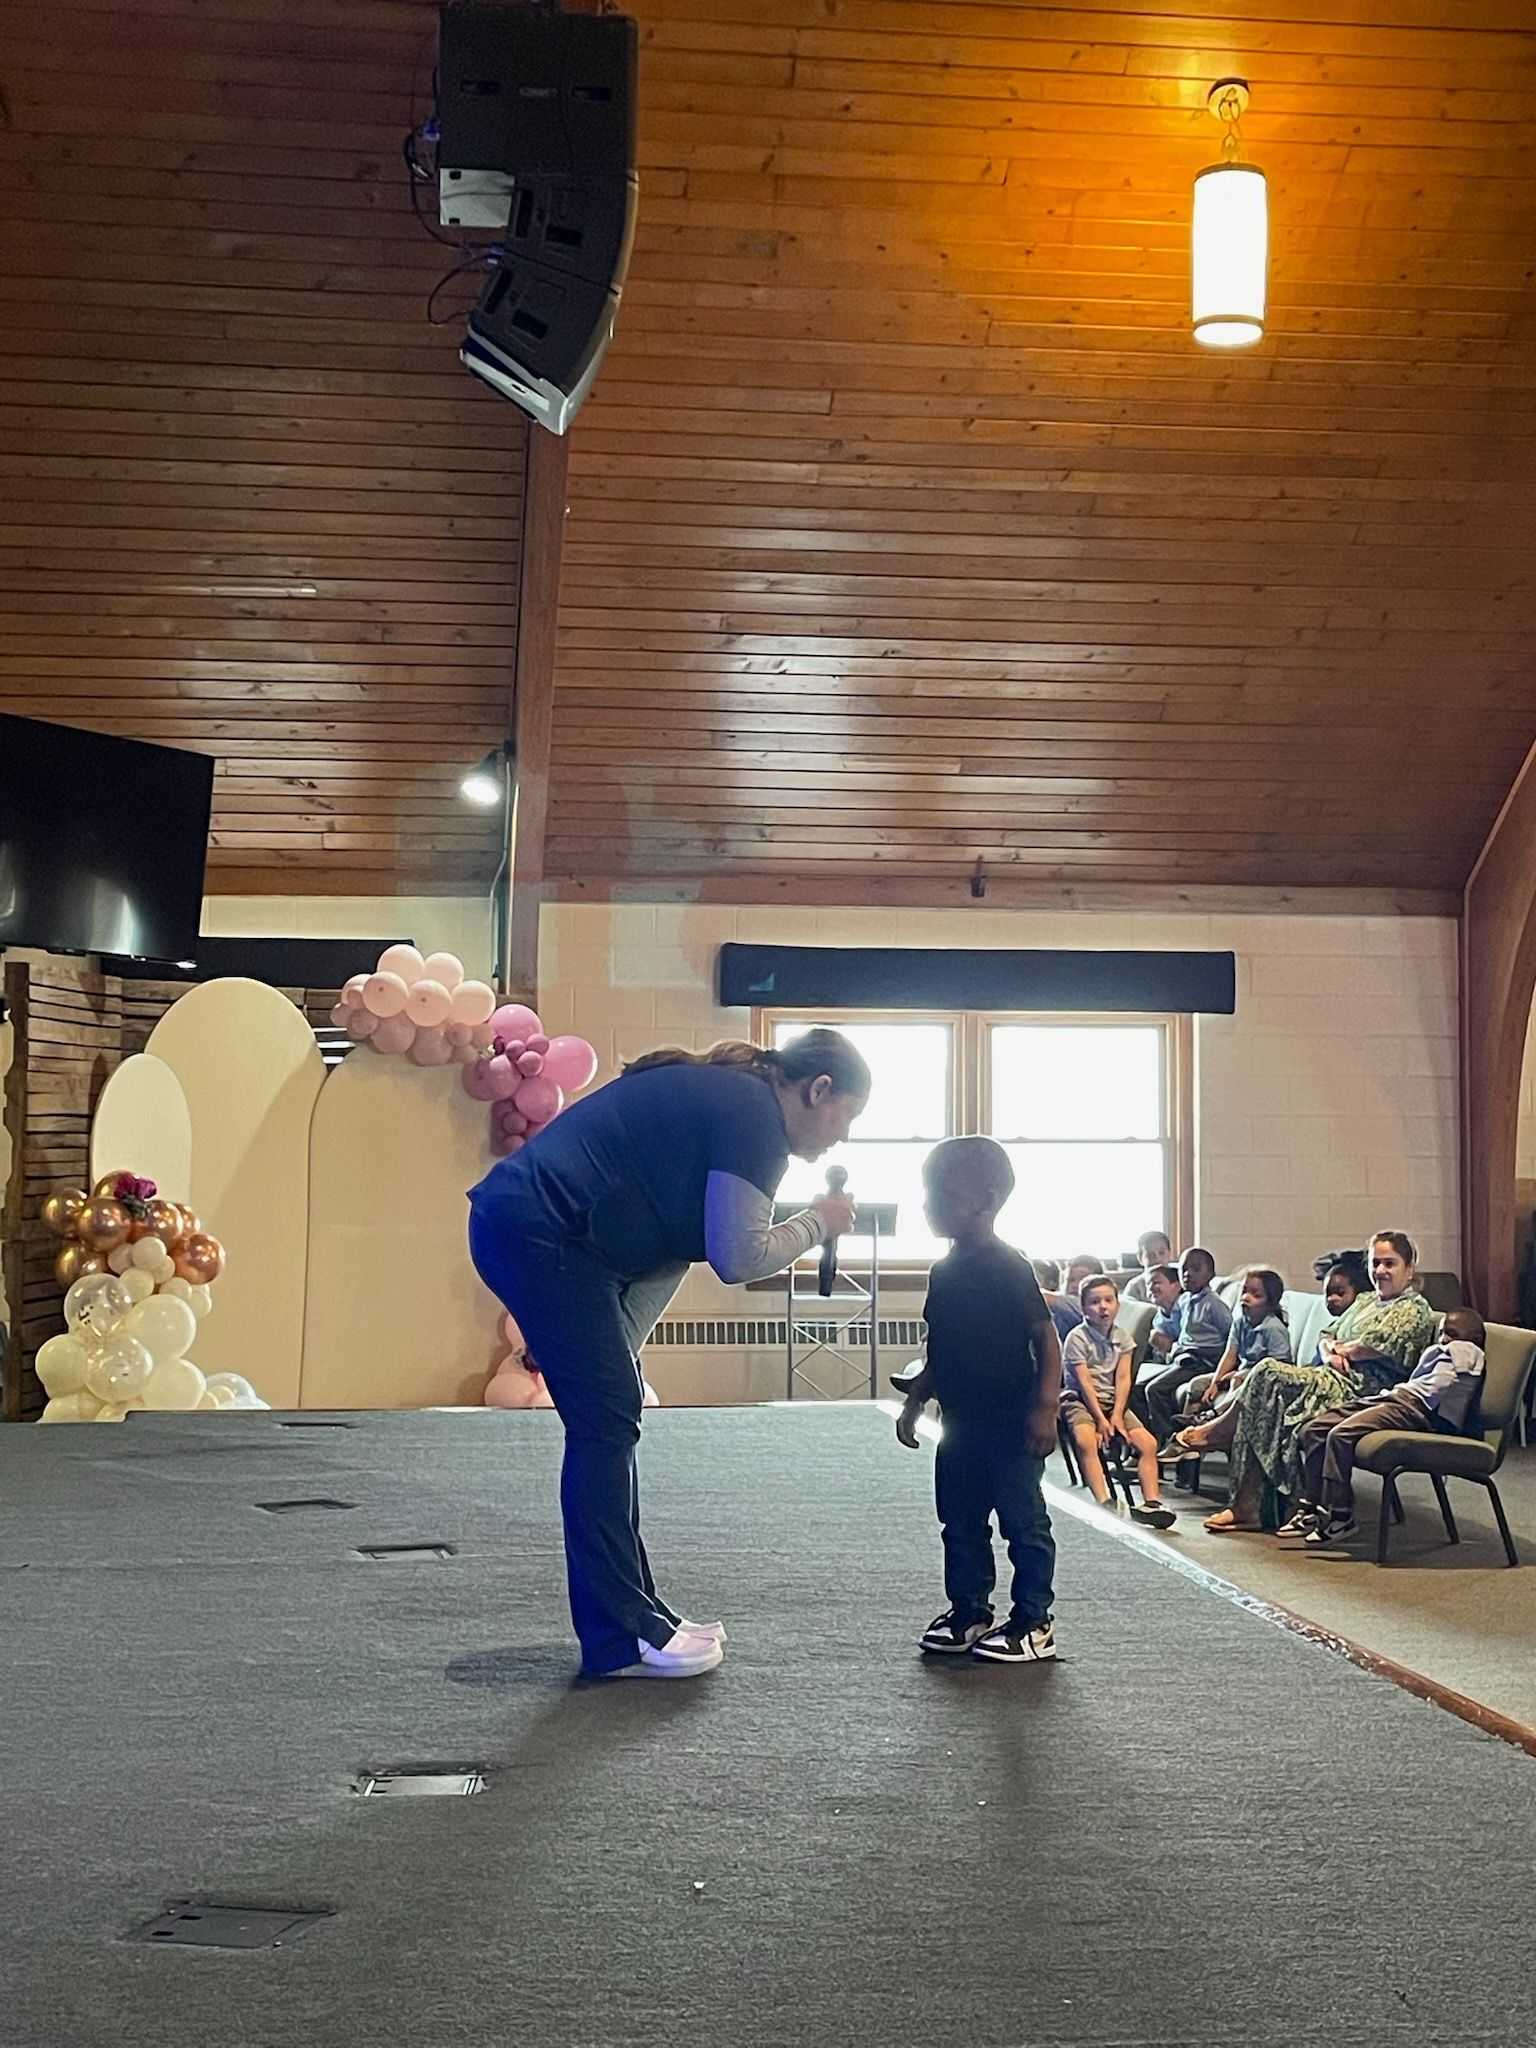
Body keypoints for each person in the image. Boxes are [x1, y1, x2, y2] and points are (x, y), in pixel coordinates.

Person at [468, 1029, 869, 1679]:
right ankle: (623, 1635)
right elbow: (740, 1258)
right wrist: (819, 1222)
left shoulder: (735, 1106)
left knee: (613, 1416)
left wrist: (609, 1360)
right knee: (606, 1423)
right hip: (538, 1232)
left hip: (546, 1237)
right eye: (847, 1115)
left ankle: (641, 1613)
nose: (842, 1136)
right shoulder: (754, 1116)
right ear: (818, 1089)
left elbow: (675, 1255)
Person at [893, 1138, 1063, 1665]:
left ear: (986, 1201)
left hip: (1011, 1422)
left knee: (1023, 1524)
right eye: (927, 1193)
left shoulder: (1008, 1265)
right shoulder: (943, 1272)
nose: (929, 1205)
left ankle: (1034, 1621)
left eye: (942, 1193)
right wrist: (916, 1399)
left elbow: (1046, 1338)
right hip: (960, 1424)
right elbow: (941, 1347)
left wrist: (1045, 1409)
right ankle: (969, 1611)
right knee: (960, 1523)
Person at [1194, 1233, 1436, 1534]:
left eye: (1390, 1263)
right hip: (1329, 1378)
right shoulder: (1364, 1301)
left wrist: (1341, 1349)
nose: (1381, 1271)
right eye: (1376, 1263)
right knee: (1264, 1405)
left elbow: (1378, 1345)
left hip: (1365, 1391)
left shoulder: (1414, 1308)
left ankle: (1225, 1447)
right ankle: (1255, 1505)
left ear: (1409, 1269)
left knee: (1268, 1371)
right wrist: (1329, 1350)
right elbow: (1327, 1334)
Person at [1290, 1309, 1487, 1548]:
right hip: (1395, 1396)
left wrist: (1447, 1346)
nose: (1444, 1339)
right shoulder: (1448, 1350)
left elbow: (1463, 1362)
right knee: (1316, 1429)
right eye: (1442, 1333)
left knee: (1341, 1434)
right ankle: (1312, 1504)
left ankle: (1341, 1515)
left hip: (1417, 1410)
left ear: (1475, 1337)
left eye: (1452, 1333)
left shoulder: (1468, 1351)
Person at [1060, 1277, 1177, 1529]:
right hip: (1081, 1400)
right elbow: (1084, 1383)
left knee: (1147, 1443)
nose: (1103, 1307)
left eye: (1108, 1300)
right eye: (1094, 1302)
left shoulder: (1123, 1338)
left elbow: (1123, 1378)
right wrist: (1101, 1421)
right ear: (1083, 1308)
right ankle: (1104, 1501)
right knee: (1086, 1440)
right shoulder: (1076, 1339)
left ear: (1117, 1305)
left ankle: (1151, 1503)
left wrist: (1116, 1415)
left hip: (1113, 1402)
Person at [1161, 1267, 1291, 1444]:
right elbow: (1230, 1355)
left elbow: (1277, 1366)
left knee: (1237, 1379)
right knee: (1196, 1385)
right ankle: (1186, 1441)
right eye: (1245, 1291)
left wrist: (1235, 1375)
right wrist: (1215, 1382)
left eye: (1256, 1295)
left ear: (1270, 1302)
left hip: (1264, 1379)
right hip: (1242, 1372)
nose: (1246, 1298)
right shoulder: (1240, 1322)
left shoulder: (1273, 1328)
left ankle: (1211, 1416)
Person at [1138, 1248, 1233, 1445]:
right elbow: (1176, 1330)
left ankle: (1168, 1440)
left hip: (1201, 1361)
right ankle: (1144, 1444)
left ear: (1210, 1275)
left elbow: (1231, 1336)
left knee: (1155, 1390)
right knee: (1136, 1390)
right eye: (1184, 1270)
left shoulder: (1213, 1304)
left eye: (1196, 1269)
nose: (1188, 1274)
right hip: (1183, 1358)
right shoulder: (1185, 1300)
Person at [1031, 1255, 1085, 1344]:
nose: (1075, 1285)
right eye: (1071, 1280)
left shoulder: (1081, 1304)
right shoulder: (1055, 1309)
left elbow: (1040, 1296)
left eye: (1082, 1280)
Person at [1123, 1230, 1174, 1304]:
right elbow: (1128, 1311)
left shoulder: (1179, 1281)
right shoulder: (1135, 1286)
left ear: (1169, 1254)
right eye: (1150, 1255)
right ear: (1140, 1258)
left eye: (1161, 1253)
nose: (1157, 1258)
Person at [1145, 1262, 1185, 1358]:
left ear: (1176, 1286)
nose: (1150, 1287)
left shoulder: (1187, 1306)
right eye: (1147, 1284)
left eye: (1156, 1282)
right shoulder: (1158, 1320)